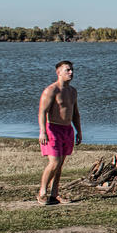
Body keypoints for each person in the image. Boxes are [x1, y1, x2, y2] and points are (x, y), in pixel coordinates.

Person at [37, 60, 82, 204]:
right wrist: (42, 131)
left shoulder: (72, 91)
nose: (71, 73)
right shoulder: (51, 90)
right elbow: (42, 112)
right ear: (58, 73)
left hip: (67, 129)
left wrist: (78, 131)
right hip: (53, 129)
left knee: (60, 164)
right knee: (54, 162)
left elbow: (75, 113)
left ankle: (55, 193)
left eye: (72, 70)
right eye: (67, 70)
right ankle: (42, 192)